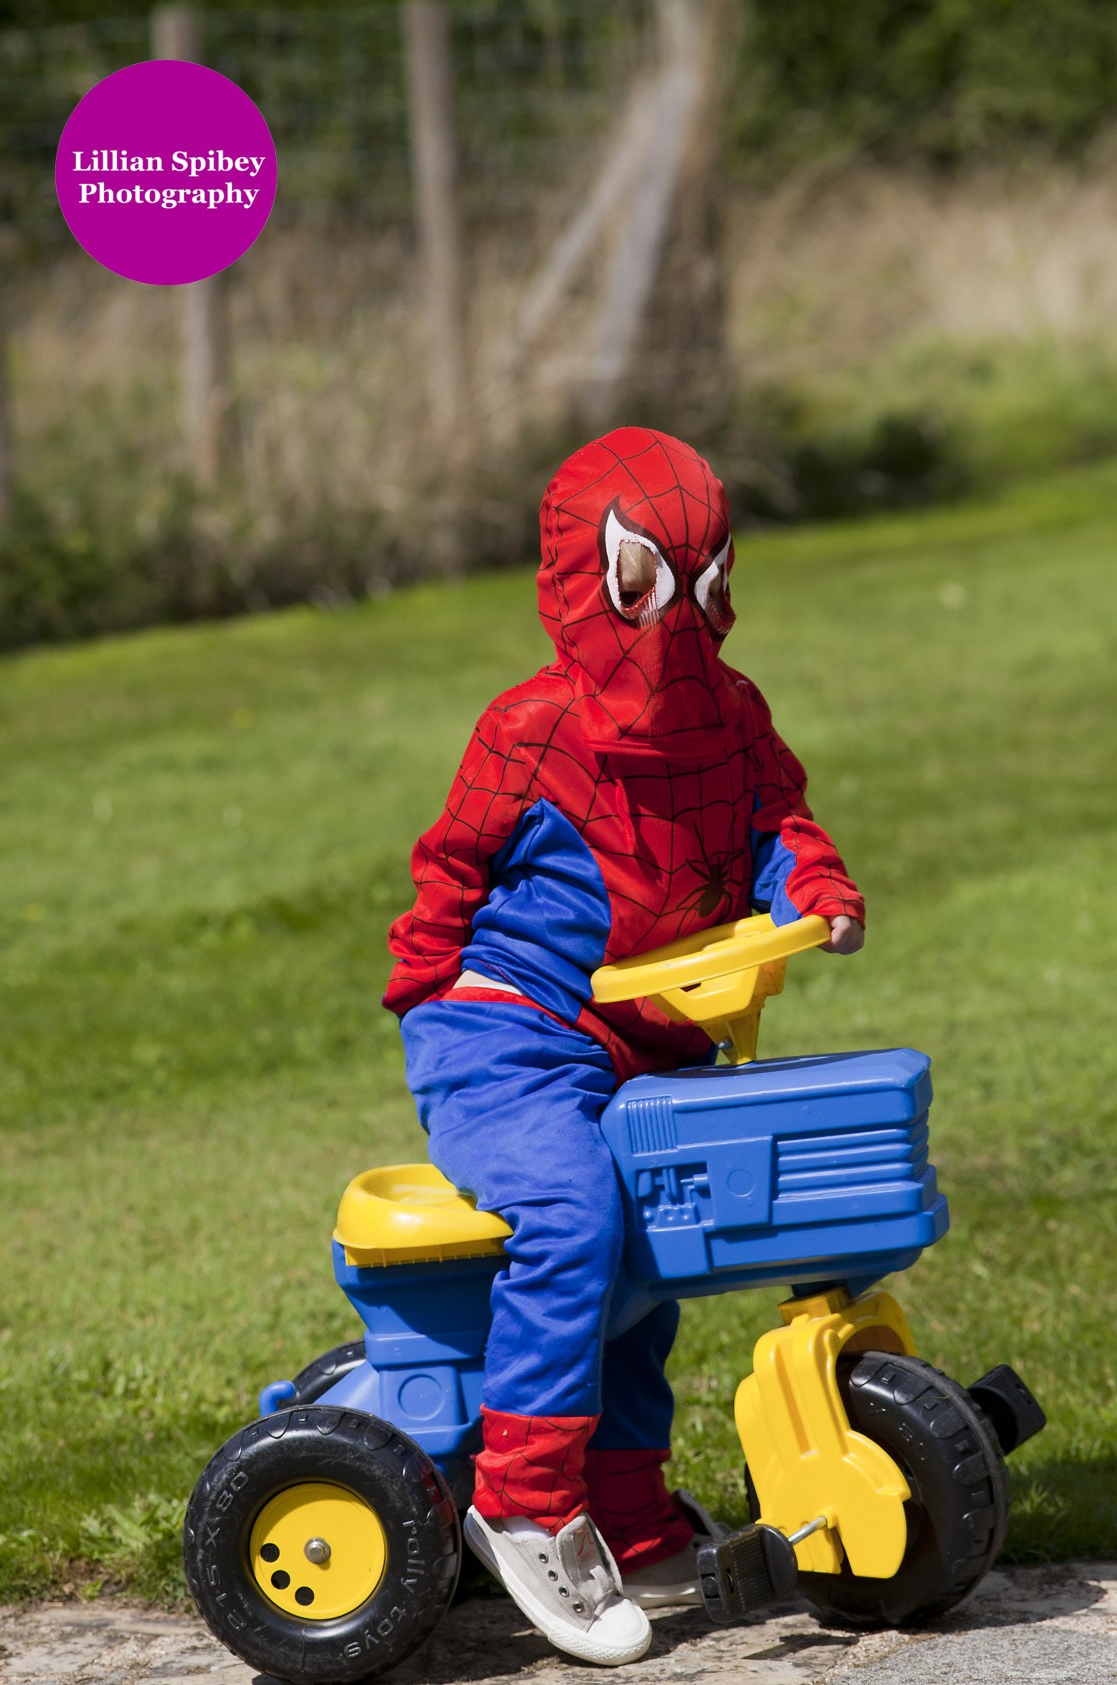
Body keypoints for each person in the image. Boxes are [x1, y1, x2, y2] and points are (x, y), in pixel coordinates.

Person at [385, 427, 864, 1664]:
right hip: (509, 1031)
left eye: (701, 586)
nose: (675, 624)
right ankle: (525, 1498)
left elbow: (773, 820)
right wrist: (426, 983)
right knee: (576, 1213)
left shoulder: (733, 715)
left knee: (656, 1252)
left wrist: (813, 882)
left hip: (654, 1040)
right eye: (643, 586)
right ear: (585, 582)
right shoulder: (534, 725)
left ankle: (627, 1497)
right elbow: (450, 864)